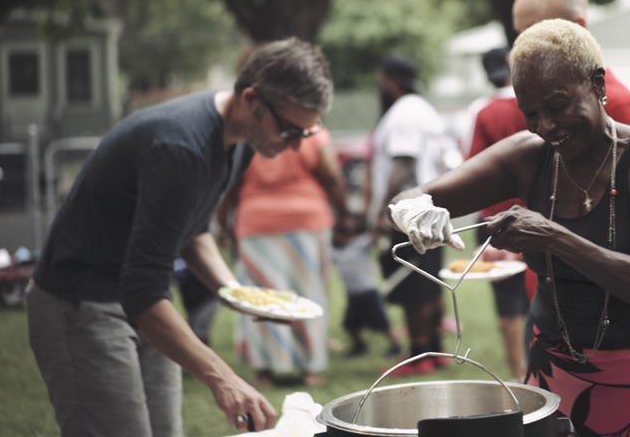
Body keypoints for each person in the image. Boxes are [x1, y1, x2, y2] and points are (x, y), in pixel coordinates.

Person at [388, 19, 630, 436]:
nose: (546, 126)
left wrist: (556, 238)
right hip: (553, 372)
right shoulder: (529, 156)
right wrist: (416, 213)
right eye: (530, 113)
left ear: (598, 84)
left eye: (558, 105)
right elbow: (413, 196)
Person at [26, 37, 333, 435]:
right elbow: (143, 288)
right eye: (290, 130)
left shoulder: (239, 141)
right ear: (251, 99)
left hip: (145, 305)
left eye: (305, 135)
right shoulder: (180, 146)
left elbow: (194, 230)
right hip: (81, 302)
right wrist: (222, 377)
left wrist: (236, 293)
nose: (294, 147)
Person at [226, 124, 350, 388]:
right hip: (307, 220)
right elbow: (331, 176)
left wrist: (223, 222)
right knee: (310, 294)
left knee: (259, 297)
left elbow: (229, 181)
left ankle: (264, 370)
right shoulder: (310, 129)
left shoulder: (249, 132)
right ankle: (311, 369)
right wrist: (345, 214)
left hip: (256, 221)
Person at [368, 56, 459, 376]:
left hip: (407, 213)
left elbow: (402, 164)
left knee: (412, 286)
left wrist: (384, 210)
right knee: (430, 282)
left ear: (391, 80)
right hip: (431, 208)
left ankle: (419, 355)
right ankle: (434, 350)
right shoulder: (424, 109)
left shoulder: (403, 113)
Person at [467, 46, 531, 382]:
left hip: (494, 218)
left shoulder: (484, 111)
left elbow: (474, 165)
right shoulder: (535, 105)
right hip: (538, 215)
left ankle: (519, 372)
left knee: (507, 303)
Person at [512, 0, 630, 132]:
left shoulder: (614, 105)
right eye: (519, 33)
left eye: (533, 30)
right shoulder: (535, 103)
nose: (522, 42)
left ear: (577, 26)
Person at [331, 212, 402, 358]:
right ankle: (359, 345)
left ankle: (396, 346)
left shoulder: (361, 243)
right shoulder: (336, 251)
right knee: (350, 324)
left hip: (369, 292)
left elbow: (375, 235)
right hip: (353, 294)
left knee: (382, 323)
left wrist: (377, 222)